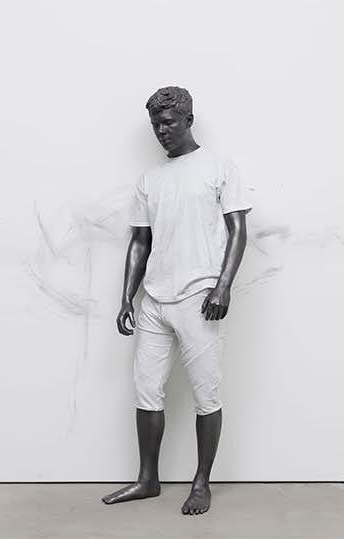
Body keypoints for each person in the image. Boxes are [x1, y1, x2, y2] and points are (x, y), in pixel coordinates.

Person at [101, 86, 251, 516]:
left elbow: (238, 231)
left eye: (168, 122)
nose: (161, 131)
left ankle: (201, 483)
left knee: (207, 391)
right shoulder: (150, 180)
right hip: (154, 300)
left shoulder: (220, 167)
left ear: (188, 120)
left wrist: (223, 286)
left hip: (199, 298)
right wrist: (127, 297)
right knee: (146, 389)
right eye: (155, 124)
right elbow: (139, 241)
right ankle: (147, 479)